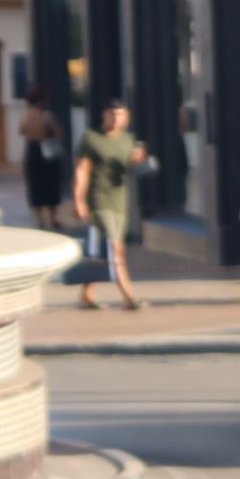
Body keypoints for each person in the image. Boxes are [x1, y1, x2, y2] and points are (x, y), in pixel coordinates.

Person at [72, 98, 148, 311]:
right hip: (99, 199)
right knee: (115, 248)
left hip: (120, 201)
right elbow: (82, 171)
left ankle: (86, 294)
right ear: (104, 115)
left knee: (103, 250)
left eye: (121, 115)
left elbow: (134, 164)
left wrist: (140, 159)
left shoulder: (128, 139)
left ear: (127, 117)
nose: (116, 119)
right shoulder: (92, 139)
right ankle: (129, 296)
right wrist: (79, 200)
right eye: (112, 114)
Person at [16, 87, 66, 230]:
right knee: (51, 184)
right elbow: (59, 133)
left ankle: (39, 219)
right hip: (47, 149)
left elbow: (21, 131)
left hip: (32, 150)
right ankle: (53, 217)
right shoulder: (47, 116)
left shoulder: (26, 115)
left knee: (35, 184)